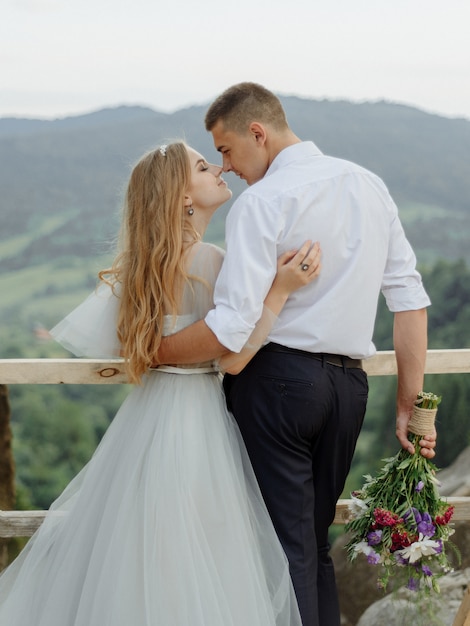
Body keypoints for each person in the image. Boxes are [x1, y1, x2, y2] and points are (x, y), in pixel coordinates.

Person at [0, 141, 323, 625]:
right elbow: (233, 357)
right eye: (201, 165)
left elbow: (137, 348)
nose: (217, 168)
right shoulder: (211, 261)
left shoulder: (139, 269)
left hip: (148, 417)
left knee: (143, 546)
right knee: (200, 548)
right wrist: (279, 291)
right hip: (196, 419)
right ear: (182, 198)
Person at [155, 83, 436, 626]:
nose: (227, 166)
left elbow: (231, 328)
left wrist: (155, 349)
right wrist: (410, 406)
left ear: (257, 133)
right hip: (349, 391)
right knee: (312, 542)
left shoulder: (263, 202)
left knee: (285, 550)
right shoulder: (370, 185)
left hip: (277, 384)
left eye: (227, 149)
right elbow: (409, 302)